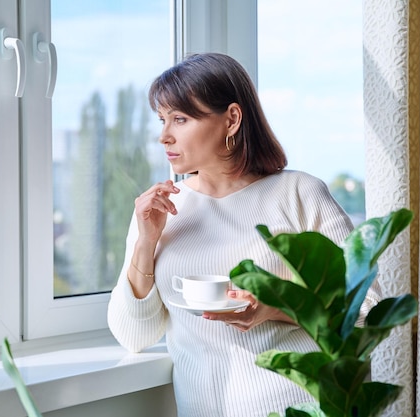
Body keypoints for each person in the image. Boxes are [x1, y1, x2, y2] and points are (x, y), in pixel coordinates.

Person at [107, 52, 379, 417]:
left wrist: (275, 309)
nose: (164, 136)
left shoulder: (300, 194)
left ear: (231, 118)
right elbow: (134, 336)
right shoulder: (161, 211)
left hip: (300, 408)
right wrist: (145, 243)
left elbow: (368, 311)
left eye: (180, 119)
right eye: (162, 120)